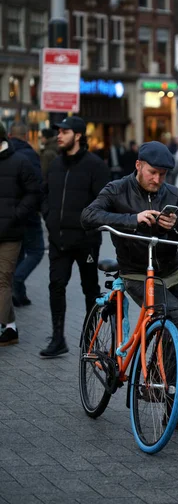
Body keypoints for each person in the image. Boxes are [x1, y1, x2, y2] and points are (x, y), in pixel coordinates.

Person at [81, 141, 178, 431]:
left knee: (174, 336)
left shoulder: (173, 194)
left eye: (163, 174)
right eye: (152, 172)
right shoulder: (117, 189)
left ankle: (168, 401)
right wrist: (133, 219)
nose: (157, 180)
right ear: (138, 166)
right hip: (135, 273)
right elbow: (89, 216)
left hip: (172, 273)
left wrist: (176, 226)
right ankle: (156, 381)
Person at [40, 116, 110, 358]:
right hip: (58, 240)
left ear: (78, 135)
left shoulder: (95, 166)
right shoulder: (56, 164)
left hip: (85, 241)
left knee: (90, 289)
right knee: (56, 286)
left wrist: (89, 228)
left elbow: (105, 202)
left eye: (64, 131)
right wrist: (48, 216)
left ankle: (90, 337)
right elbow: (45, 194)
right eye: (59, 131)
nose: (59, 135)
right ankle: (58, 338)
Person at [0, 121, 40, 346]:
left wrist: (16, 214)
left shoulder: (20, 161)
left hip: (11, 233)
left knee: (3, 279)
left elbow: (33, 192)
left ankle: (6, 328)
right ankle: (10, 326)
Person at [9, 122, 45, 307]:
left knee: (20, 252)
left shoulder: (5, 153)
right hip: (28, 212)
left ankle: (19, 295)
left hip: (9, 212)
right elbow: (37, 186)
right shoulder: (30, 154)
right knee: (37, 251)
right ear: (25, 135)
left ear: (10, 135)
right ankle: (17, 280)